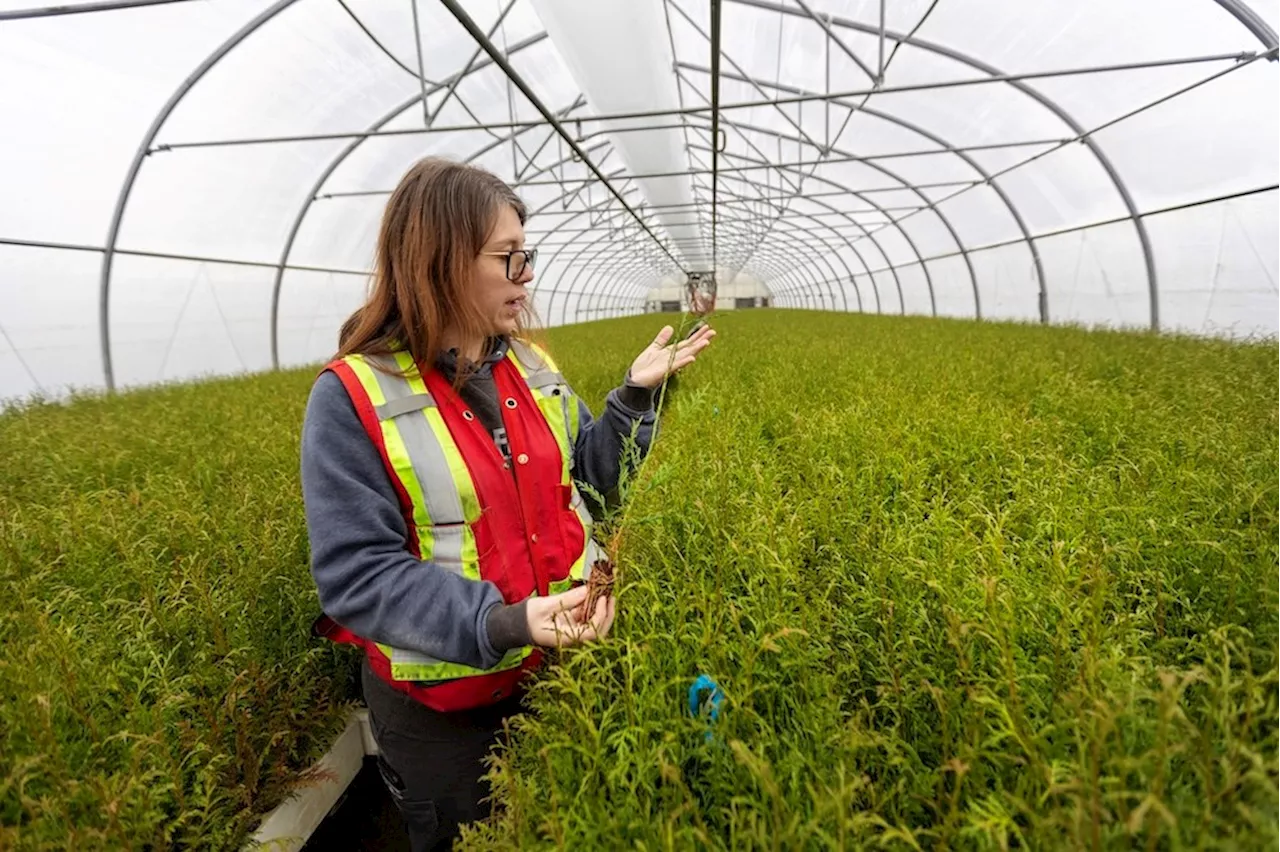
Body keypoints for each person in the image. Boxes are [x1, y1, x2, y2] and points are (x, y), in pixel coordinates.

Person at [299, 157, 715, 851]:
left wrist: (634, 396)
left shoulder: (530, 366)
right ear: (441, 259)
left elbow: (596, 479)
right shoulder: (350, 398)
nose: (527, 275)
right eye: (509, 258)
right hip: (447, 717)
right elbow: (356, 578)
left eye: (530, 256)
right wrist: (504, 620)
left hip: (561, 672)